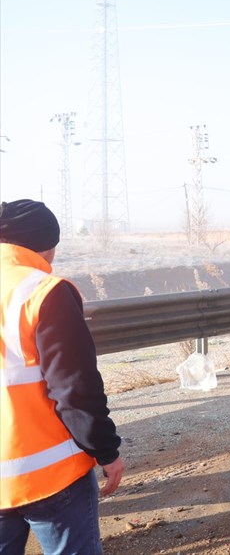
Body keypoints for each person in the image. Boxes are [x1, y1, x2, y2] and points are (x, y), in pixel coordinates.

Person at [0, 200, 124, 554]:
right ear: (44, 243)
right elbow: (74, 389)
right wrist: (106, 451)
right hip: (49, 476)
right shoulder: (43, 291)